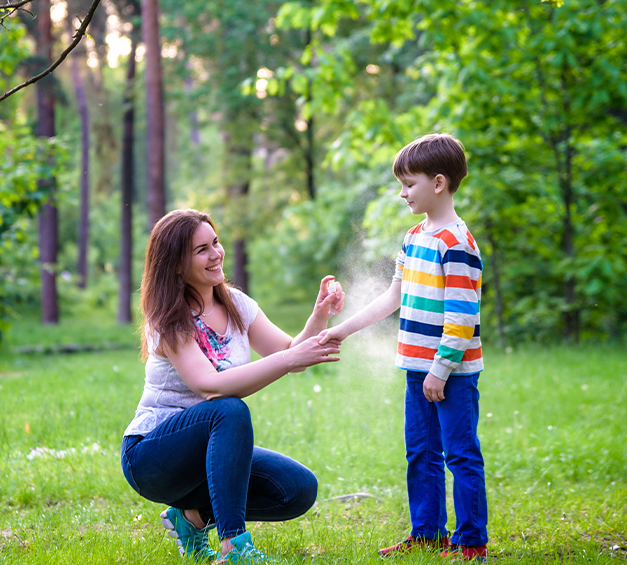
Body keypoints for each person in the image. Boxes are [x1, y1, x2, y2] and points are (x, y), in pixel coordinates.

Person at [121, 208, 345, 564]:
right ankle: (235, 550)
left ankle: (191, 517)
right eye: (201, 250)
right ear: (177, 265)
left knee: (297, 488)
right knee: (228, 409)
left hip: (206, 452)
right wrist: (288, 362)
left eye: (216, 242)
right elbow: (210, 387)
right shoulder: (169, 319)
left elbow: (289, 351)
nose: (216, 254)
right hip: (153, 457)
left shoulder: (237, 304)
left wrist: (319, 315)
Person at [318, 133, 488, 561]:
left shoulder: (458, 245)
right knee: (421, 453)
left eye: (408, 184)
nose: (402, 192)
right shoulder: (414, 238)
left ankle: (471, 544)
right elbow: (392, 297)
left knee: (461, 454)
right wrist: (344, 330)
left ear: (438, 183)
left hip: (451, 373)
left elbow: (463, 316)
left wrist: (442, 368)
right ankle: (427, 533)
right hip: (417, 367)